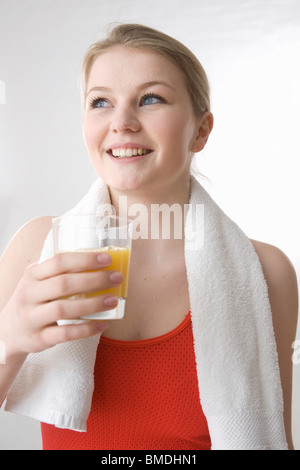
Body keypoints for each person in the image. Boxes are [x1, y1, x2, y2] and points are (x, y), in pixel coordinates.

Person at [0, 24, 298, 450]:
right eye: (100, 102)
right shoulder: (38, 249)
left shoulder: (267, 272)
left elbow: (272, 440)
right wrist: (8, 340)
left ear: (201, 130)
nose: (121, 123)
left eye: (151, 98)